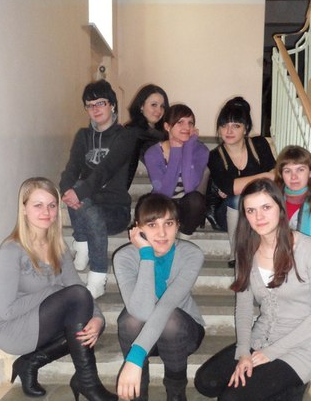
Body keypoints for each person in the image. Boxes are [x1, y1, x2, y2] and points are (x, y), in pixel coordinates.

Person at [194, 178, 311, 401]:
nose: (259, 217)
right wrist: (244, 352)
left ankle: (296, 384)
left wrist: (270, 353)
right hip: (260, 338)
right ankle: (268, 376)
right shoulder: (246, 251)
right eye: (251, 210)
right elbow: (244, 307)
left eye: (266, 207)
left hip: (298, 346)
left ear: (280, 207)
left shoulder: (310, 250)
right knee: (205, 383)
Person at [0, 177, 117, 401]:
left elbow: (77, 288)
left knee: (89, 324)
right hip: (13, 328)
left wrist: (98, 318)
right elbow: (7, 311)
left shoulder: (59, 247)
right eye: (37, 205)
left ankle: (30, 363)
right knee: (76, 299)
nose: (46, 212)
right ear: (24, 209)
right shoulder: (11, 250)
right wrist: (53, 291)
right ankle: (88, 381)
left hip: (43, 323)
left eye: (51, 205)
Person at [113, 193, 205, 401]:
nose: (162, 233)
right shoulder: (124, 258)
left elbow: (166, 306)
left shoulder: (192, 254)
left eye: (169, 223)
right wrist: (146, 255)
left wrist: (133, 357)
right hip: (145, 334)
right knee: (129, 321)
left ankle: (176, 393)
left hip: (182, 333)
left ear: (178, 226)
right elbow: (141, 311)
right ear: (138, 229)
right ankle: (138, 393)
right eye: (152, 225)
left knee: (170, 320)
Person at [59, 79, 135, 298]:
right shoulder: (83, 136)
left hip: (115, 211)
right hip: (87, 205)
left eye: (100, 103)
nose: (95, 109)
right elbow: (72, 168)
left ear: (112, 105)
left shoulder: (125, 136)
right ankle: (82, 242)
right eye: (90, 105)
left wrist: (78, 193)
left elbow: (106, 170)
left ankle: (98, 277)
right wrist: (66, 192)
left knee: (86, 199)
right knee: (75, 187)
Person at [208, 97, 276, 266]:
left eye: (236, 126)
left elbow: (275, 177)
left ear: (246, 129)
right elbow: (230, 189)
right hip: (227, 214)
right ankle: (236, 253)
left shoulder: (259, 144)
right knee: (237, 199)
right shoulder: (215, 156)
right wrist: (264, 176)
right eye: (224, 125)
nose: (229, 131)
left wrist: (241, 184)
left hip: (257, 210)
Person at [144, 104, 209, 235]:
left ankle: (184, 236)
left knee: (196, 200)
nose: (187, 127)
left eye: (190, 123)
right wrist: (175, 152)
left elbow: (190, 187)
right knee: (150, 205)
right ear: (167, 126)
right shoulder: (153, 153)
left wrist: (188, 147)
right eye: (180, 122)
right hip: (163, 203)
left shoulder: (201, 151)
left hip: (187, 207)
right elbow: (164, 193)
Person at [275, 145, 311, 260]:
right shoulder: (271, 203)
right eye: (287, 171)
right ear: (281, 174)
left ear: (310, 172)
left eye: (300, 170)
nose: (294, 176)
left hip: (305, 268)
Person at [125, 84, 169, 188]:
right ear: (141, 106)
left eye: (162, 106)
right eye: (154, 105)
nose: (159, 110)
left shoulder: (163, 134)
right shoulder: (133, 133)